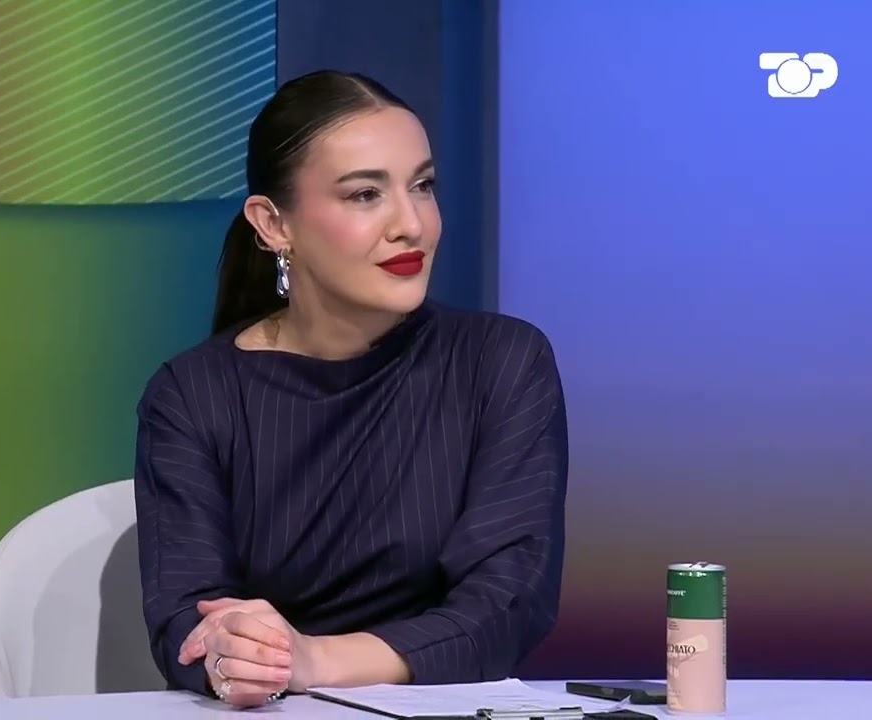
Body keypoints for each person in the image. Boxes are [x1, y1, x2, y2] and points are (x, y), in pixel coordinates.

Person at [133, 70, 568, 709]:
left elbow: (507, 603)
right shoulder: (192, 395)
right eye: (366, 194)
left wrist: (314, 660)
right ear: (272, 224)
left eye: (423, 186)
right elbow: (186, 619)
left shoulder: (501, 362)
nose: (411, 224)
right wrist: (236, 653)